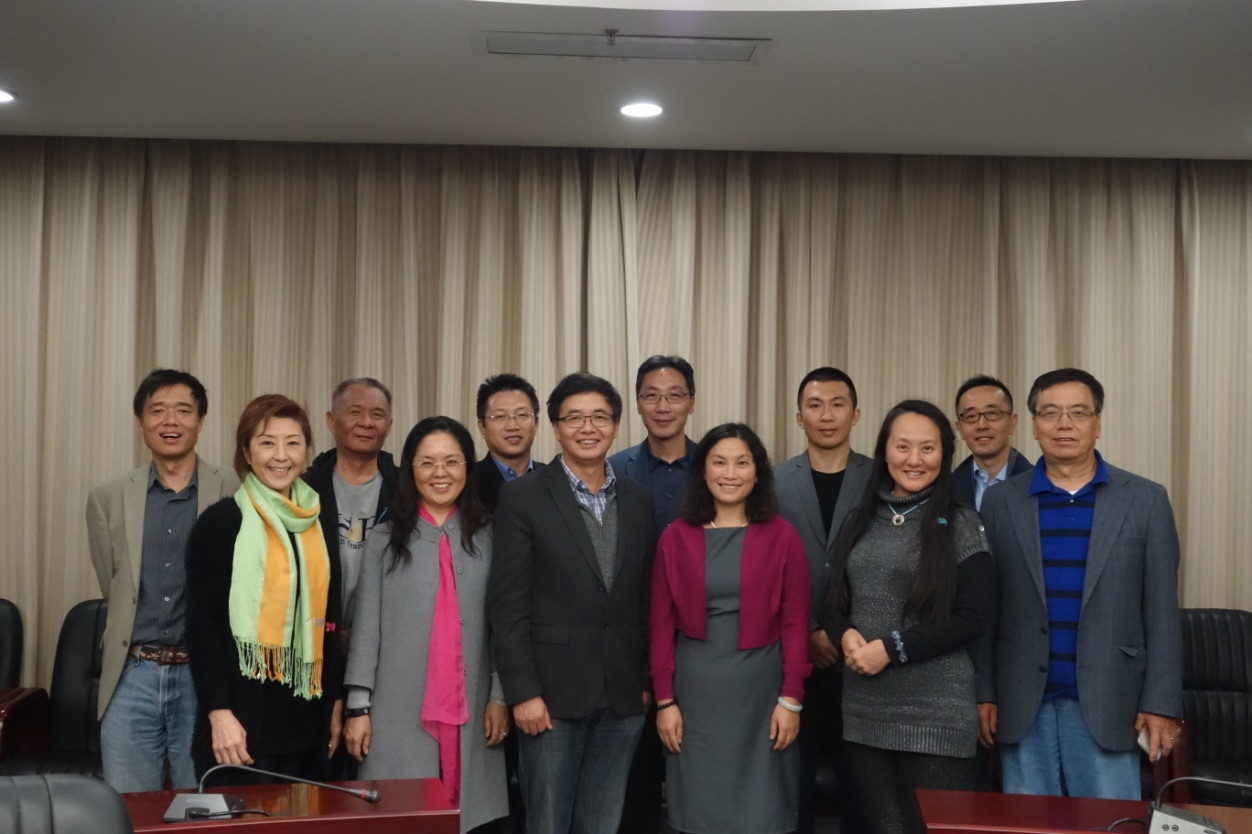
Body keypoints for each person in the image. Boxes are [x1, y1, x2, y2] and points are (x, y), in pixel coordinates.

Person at [976, 368, 1182, 799]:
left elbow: (1162, 612)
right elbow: (987, 609)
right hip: (1021, 700)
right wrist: (984, 692)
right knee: (1028, 824)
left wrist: (1161, 702)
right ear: (1033, 425)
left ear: (1097, 423)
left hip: (1111, 700)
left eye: (1078, 413)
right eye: (1050, 413)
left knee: (1108, 824)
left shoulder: (1145, 500)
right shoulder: (1000, 501)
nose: (1064, 424)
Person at [487, 372, 655, 834]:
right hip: (549, 698)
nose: (588, 427)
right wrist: (522, 693)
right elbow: (507, 605)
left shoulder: (639, 500)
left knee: (603, 823)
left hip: (623, 694)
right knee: (548, 824)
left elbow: (645, 599)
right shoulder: (522, 497)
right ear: (556, 428)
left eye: (599, 417)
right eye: (574, 418)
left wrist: (644, 680)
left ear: (616, 425)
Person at [822, 400, 993, 834]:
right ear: (884, 451)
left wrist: (892, 649)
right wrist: (844, 636)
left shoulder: (961, 523)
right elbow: (832, 601)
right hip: (864, 709)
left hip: (936, 712)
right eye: (902, 447)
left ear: (944, 454)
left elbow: (973, 617)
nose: (914, 459)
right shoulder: (860, 518)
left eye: (927, 448)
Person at [343, 417, 507, 833]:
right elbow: (366, 630)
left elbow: (503, 627)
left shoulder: (491, 536)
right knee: (402, 814)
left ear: (467, 467)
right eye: (427, 462)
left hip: (474, 704)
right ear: (410, 470)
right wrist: (358, 707)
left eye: (451, 462)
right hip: (397, 708)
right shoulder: (384, 539)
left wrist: (500, 696)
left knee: (468, 813)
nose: (440, 473)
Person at [650, 423, 810, 834]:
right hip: (695, 698)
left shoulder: (783, 536)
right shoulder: (675, 537)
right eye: (719, 462)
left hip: (763, 696)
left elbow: (795, 624)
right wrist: (665, 702)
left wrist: (791, 700)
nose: (730, 473)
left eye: (742, 463)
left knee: (763, 811)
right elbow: (660, 626)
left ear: (757, 472)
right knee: (699, 812)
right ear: (703, 470)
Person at [86, 369, 239, 792]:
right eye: (157, 411)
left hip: (203, 675)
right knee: (130, 807)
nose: (170, 421)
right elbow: (112, 583)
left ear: (200, 422)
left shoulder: (234, 489)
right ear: (140, 422)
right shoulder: (108, 496)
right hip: (132, 673)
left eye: (183, 411)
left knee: (205, 803)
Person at [185, 394, 344, 783]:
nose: (281, 456)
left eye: (293, 443)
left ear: (307, 450)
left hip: (309, 724)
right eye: (267, 442)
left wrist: (335, 702)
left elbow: (331, 620)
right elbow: (202, 628)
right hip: (242, 724)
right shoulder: (222, 523)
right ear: (247, 452)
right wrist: (219, 713)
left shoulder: (319, 522)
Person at [773, 366, 870, 833]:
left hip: (865, 657)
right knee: (792, 787)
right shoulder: (772, 481)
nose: (826, 415)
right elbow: (764, 570)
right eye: (815, 405)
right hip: (793, 656)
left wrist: (843, 632)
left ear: (855, 415)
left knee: (862, 790)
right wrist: (809, 631)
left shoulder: (883, 477)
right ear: (799, 417)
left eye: (837, 405)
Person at [607, 354, 698, 834]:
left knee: (697, 779)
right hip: (631, 644)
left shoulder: (718, 466)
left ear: (691, 402)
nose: (663, 407)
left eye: (674, 395)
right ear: (638, 404)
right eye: (652, 396)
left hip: (702, 642)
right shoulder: (612, 470)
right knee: (633, 783)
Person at [302, 377, 397, 633]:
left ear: (389, 426)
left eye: (377, 415)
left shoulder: (405, 493)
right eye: (355, 412)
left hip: (383, 637)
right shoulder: (304, 491)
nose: (366, 422)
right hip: (314, 636)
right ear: (331, 421)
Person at [951, 375, 1031, 511]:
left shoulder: (1037, 482)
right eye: (971, 416)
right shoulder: (947, 489)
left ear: (1012, 423)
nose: (982, 425)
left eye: (992, 413)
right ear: (960, 428)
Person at [472, 373, 545, 513]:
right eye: (500, 416)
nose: (512, 426)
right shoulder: (467, 482)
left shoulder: (555, 479)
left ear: (536, 423)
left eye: (522, 415)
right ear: (482, 427)